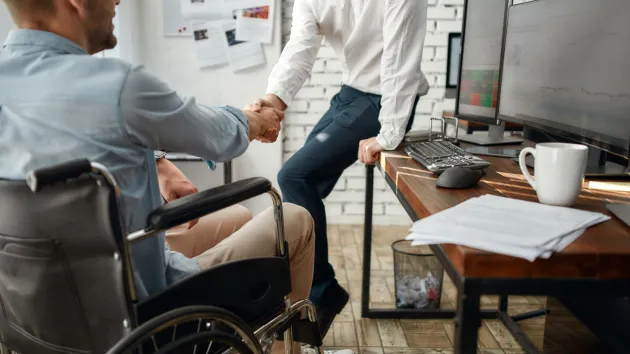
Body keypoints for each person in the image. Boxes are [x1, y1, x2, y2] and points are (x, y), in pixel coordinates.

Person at [0, 1, 352, 353]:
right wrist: (255, 119)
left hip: (35, 319)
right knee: (295, 219)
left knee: (238, 218)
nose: (118, 2)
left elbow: (58, 136)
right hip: (146, 320)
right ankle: (285, 345)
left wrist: (157, 163)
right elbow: (218, 135)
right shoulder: (117, 86)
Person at [254, 0, 430, 335]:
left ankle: (323, 291)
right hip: (350, 93)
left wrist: (389, 133)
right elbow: (299, 50)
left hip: (385, 97)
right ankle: (292, 285)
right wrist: (271, 106)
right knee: (304, 185)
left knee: (293, 175)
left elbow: (399, 60)